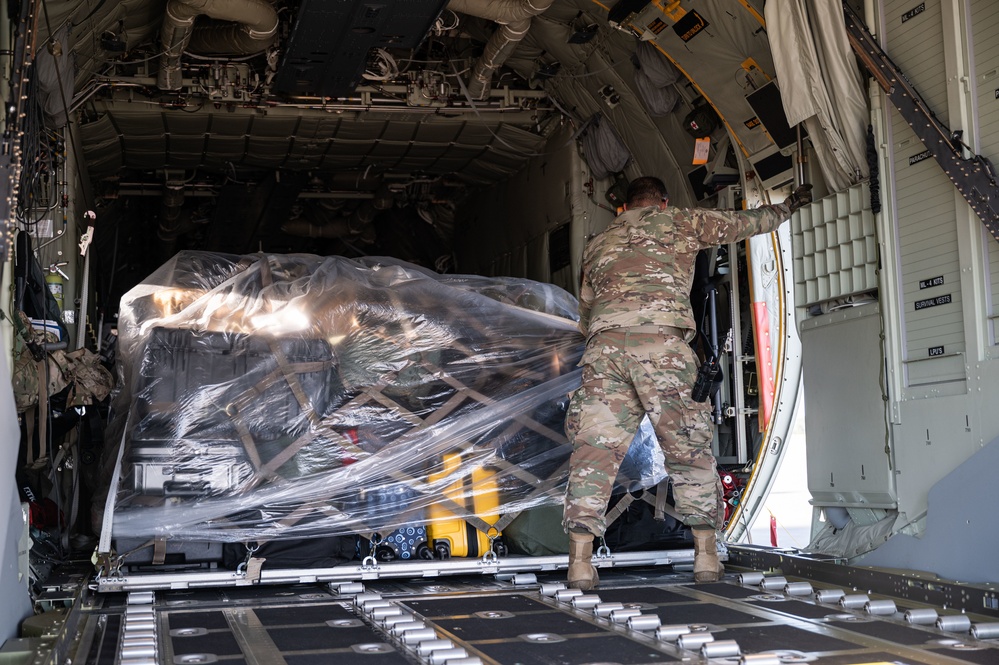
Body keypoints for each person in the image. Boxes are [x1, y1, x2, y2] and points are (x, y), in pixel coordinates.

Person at [563, 176, 812, 589]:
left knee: (594, 454)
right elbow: (741, 223)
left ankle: (580, 565)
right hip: (662, 348)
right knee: (688, 452)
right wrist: (786, 208)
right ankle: (706, 559)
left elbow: (585, 313)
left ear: (624, 207)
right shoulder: (678, 222)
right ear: (662, 202)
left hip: (605, 350)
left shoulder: (598, 242)